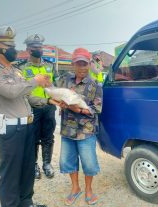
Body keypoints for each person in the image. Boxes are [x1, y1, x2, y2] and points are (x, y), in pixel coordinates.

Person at [0, 26, 49, 207]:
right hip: (10, 129)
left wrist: (54, 98)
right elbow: (11, 92)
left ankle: (26, 202)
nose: (13, 48)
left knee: (27, 170)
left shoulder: (16, 71)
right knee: (11, 173)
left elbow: (25, 94)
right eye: (8, 45)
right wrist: (36, 81)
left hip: (27, 126)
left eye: (13, 44)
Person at [58, 48, 102, 205]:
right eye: (78, 64)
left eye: (84, 64)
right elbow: (57, 95)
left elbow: (97, 109)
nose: (82, 67)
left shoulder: (95, 85)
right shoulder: (65, 81)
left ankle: (89, 190)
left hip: (86, 131)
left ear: (89, 64)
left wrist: (78, 109)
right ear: (73, 65)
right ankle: (75, 188)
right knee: (68, 161)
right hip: (67, 129)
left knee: (89, 163)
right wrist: (61, 104)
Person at [18, 34, 58, 179]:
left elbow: (55, 86)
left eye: (40, 47)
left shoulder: (50, 66)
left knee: (48, 137)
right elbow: (22, 92)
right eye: (35, 47)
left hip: (49, 108)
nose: (39, 49)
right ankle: (33, 165)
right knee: (33, 138)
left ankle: (46, 163)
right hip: (31, 109)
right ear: (28, 49)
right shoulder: (21, 68)